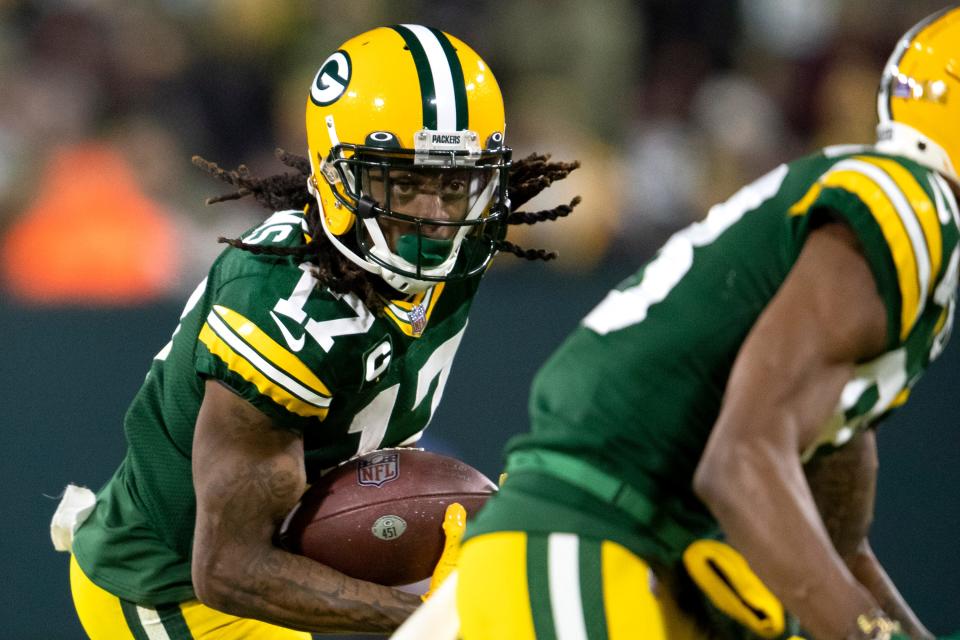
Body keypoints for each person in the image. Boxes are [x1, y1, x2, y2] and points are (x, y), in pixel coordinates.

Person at [417, 7, 960, 640]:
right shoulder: (914, 210)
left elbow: (836, 547)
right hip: (589, 541)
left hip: (578, 545)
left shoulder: (891, 229)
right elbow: (741, 461)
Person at [51, 24, 580, 639]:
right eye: (404, 182)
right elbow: (228, 570)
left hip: (271, 555)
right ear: (336, 175)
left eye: (455, 184)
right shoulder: (284, 307)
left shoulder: (449, 256)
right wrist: (438, 621)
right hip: (168, 587)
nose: (435, 217)